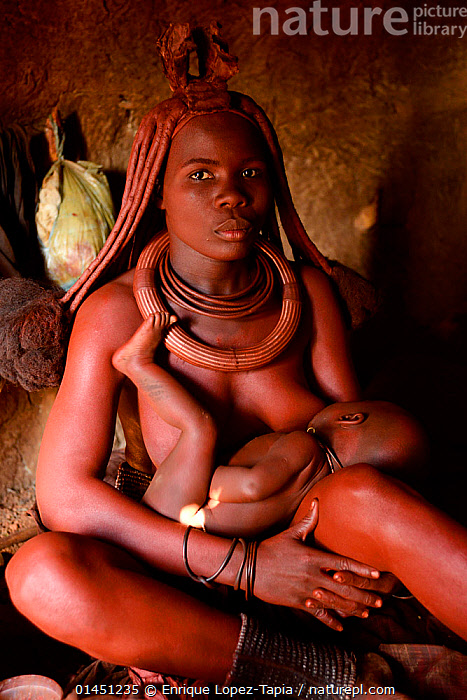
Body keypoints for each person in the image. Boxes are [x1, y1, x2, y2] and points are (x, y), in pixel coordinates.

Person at [6, 24, 418, 692]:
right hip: (184, 560)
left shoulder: (306, 293)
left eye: (249, 174)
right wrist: (245, 564)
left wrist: (321, 479)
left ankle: (337, 648)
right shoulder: (116, 314)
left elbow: (355, 426)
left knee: (371, 489)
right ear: (157, 194)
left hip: (317, 547)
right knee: (39, 575)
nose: (232, 195)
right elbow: (64, 498)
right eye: (200, 176)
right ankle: (332, 677)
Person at [112, 310, 467, 644]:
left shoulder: (303, 444)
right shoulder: (315, 487)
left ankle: (137, 364)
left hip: (181, 514)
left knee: (199, 428)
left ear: (351, 418)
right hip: (207, 549)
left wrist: (209, 488)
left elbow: (254, 485)